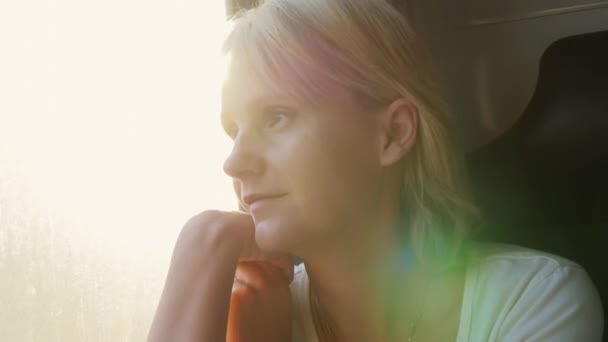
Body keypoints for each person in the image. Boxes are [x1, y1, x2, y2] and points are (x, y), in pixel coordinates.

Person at [147, 0, 604, 341]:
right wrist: (203, 245)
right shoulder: (253, 312)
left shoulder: (535, 300)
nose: (233, 162)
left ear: (392, 134)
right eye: (233, 130)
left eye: (276, 117)